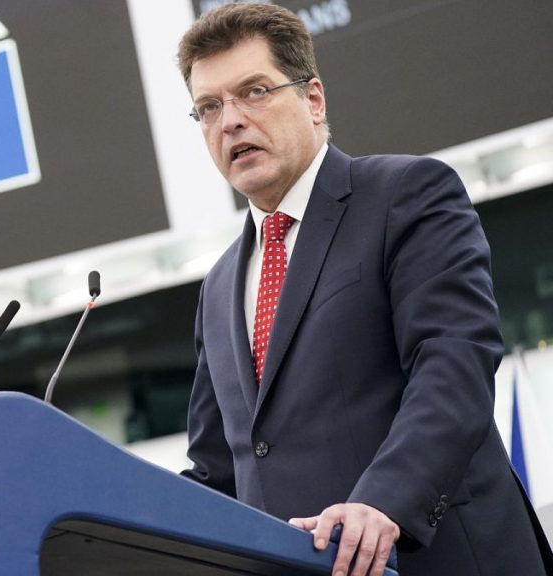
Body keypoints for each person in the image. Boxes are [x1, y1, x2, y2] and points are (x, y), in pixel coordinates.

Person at [176, 4, 553, 576]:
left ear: (313, 100)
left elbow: (453, 362)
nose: (230, 120)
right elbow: (218, 470)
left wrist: (383, 501)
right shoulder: (219, 285)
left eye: (254, 91)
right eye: (209, 106)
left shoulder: (406, 195)